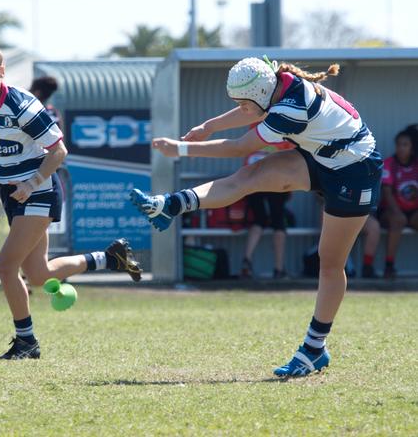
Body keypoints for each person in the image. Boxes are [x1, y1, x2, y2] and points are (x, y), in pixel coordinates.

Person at [131, 57, 382, 377]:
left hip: (356, 171)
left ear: (260, 93)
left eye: (242, 103)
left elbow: (238, 147)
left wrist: (181, 149)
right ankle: (172, 205)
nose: (241, 109)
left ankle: (314, 348)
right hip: (325, 156)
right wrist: (209, 126)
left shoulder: (290, 108)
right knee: (249, 177)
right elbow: (254, 109)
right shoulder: (278, 85)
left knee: (330, 263)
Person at [0, 39, 142, 360]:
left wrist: (32, 182)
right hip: (12, 192)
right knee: (38, 275)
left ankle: (26, 341)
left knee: (6, 267)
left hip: (40, 191)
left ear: (1, 72)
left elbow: (59, 151)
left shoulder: (23, 105)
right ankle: (109, 258)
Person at [241, 129, 294, 279]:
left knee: (259, 220)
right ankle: (278, 269)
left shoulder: (254, 129)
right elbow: (291, 159)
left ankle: (247, 260)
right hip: (276, 178)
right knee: (278, 223)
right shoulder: (285, 130)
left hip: (251, 177)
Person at [379, 128, 418, 279]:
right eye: (399, 145)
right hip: (391, 211)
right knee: (398, 220)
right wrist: (398, 213)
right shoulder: (389, 164)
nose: (401, 148)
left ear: (412, 147)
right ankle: (389, 266)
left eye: (405, 144)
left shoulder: (416, 164)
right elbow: (387, 193)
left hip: (413, 212)